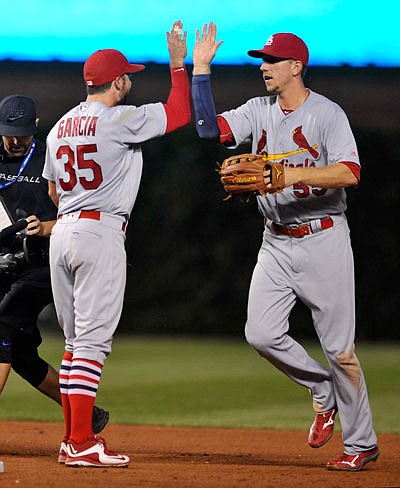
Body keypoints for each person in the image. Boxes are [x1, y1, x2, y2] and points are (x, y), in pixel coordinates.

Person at [191, 23, 379, 472]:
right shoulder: (258, 110)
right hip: (275, 241)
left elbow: (350, 172)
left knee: (340, 350)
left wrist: (291, 175)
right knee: (260, 333)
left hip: (324, 238)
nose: (264, 68)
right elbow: (205, 130)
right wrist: (199, 70)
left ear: (297, 67)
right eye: (262, 60)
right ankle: (321, 390)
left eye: (272, 61)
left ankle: (362, 443)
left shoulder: (327, 115)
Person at [43, 20, 191, 468]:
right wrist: (179, 66)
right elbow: (179, 113)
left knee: (73, 343)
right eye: (129, 74)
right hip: (99, 234)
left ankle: (73, 439)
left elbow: (52, 192)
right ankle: (84, 442)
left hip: (63, 232)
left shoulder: (59, 127)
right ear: (118, 81)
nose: (131, 79)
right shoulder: (118, 118)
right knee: (91, 344)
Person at [0, 95, 109, 435]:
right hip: (4, 262)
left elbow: (76, 213)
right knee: (18, 354)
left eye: (21, 132)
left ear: (35, 125)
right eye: (8, 132)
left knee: (2, 326)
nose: (15, 140)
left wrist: (44, 228)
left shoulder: (54, 155)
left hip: (43, 263)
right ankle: (85, 416)